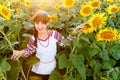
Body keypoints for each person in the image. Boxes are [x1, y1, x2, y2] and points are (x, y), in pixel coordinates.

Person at [11, 10, 65, 80]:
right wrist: (21, 52)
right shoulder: (33, 38)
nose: (40, 26)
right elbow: (29, 50)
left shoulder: (54, 34)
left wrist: (75, 33)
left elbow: (65, 43)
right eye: (37, 23)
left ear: (47, 23)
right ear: (34, 23)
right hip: (37, 70)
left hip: (52, 70)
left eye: (43, 23)